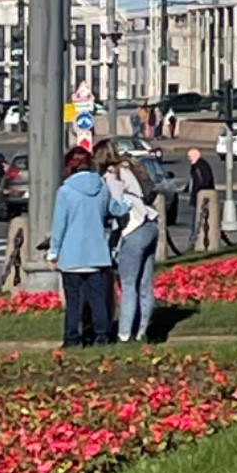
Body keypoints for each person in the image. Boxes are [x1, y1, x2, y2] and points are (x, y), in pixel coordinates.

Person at [50, 143, 116, 347]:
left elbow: (59, 225)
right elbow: (114, 208)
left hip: (72, 256)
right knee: (98, 300)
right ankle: (102, 336)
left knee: (74, 302)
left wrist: (53, 252)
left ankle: (72, 338)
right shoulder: (101, 187)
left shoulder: (66, 191)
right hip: (96, 254)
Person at [101, 141, 161, 345]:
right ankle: (143, 331)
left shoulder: (111, 175)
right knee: (145, 284)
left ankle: (125, 334)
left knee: (128, 285)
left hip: (132, 229)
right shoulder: (130, 168)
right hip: (150, 223)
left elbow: (116, 206)